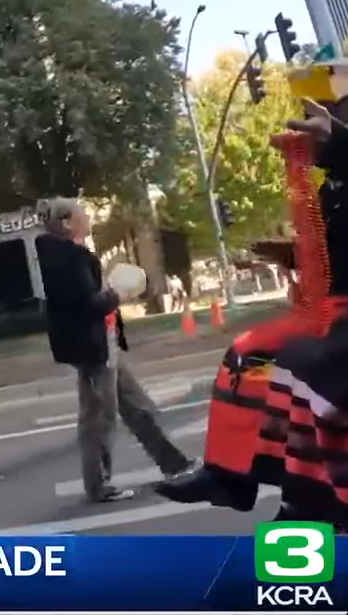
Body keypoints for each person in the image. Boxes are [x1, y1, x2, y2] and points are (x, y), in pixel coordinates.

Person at [156, 97, 348, 528]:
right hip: (331, 307)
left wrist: (341, 141)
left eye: (320, 131)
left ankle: (307, 506)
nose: (309, 142)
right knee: (248, 356)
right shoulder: (332, 186)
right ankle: (228, 475)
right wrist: (293, 256)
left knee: (299, 367)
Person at [34, 199, 197, 504]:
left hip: (102, 342)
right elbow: (88, 305)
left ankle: (174, 463)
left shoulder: (65, 255)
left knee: (136, 406)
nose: (88, 217)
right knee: (99, 417)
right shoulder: (67, 258)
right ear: (68, 222)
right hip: (93, 347)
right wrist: (118, 293)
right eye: (83, 213)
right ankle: (99, 486)